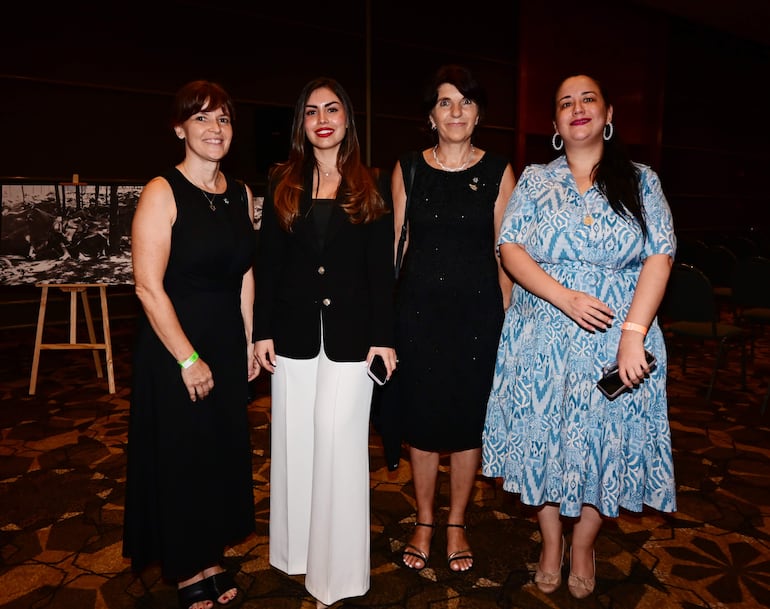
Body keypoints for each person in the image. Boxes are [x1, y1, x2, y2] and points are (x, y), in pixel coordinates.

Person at [482, 74, 677, 599]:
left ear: (608, 114)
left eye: (588, 98)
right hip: (541, 336)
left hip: (618, 338)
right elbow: (511, 248)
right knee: (545, 442)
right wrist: (565, 297)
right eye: (565, 102)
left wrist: (633, 334)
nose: (577, 107)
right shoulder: (535, 180)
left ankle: (585, 543)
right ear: (554, 125)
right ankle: (550, 540)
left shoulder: (641, 180)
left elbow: (660, 254)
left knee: (603, 445)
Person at [252, 77, 396, 608]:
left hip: (353, 340)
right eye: (311, 111)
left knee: (339, 448)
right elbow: (268, 264)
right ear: (302, 124)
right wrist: (260, 330)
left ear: (347, 120)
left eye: (331, 109)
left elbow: (382, 272)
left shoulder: (370, 183)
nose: (322, 118)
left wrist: (384, 338)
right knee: (296, 444)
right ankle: (299, 556)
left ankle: (337, 576)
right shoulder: (281, 182)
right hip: (291, 336)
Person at [123, 80, 259, 609]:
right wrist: (187, 357)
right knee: (181, 456)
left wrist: (247, 342)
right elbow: (147, 286)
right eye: (202, 118)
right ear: (180, 128)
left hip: (226, 342)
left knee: (219, 454)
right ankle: (185, 567)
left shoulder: (241, 191)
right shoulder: (162, 190)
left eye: (223, 119)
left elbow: (245, 272)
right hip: (176, 347)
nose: (214, 129)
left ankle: (210, 554)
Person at [388, 65, 516, 573]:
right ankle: (423, 520)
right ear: (431, 116)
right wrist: (386, 323)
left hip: (478, 316)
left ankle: (457, 522)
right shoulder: (408, 169)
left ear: (479, 113)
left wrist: (505, 319)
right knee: (421, 421)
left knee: (466, 423)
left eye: (465, 102)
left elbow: (507, 252)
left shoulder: (500, 170)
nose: (456, 111)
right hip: (417, 316)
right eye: (445, 102)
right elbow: (395, 250)